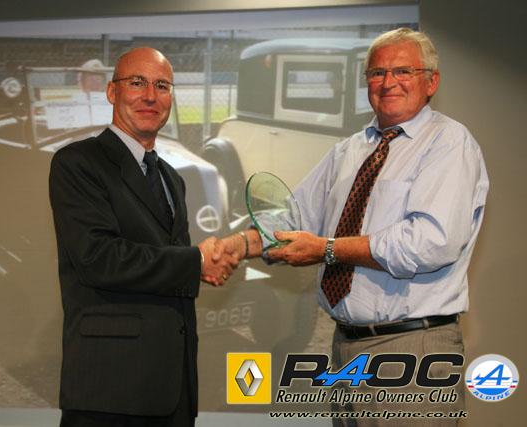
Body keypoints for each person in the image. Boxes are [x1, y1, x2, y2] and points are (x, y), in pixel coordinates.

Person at [215, 28, 488, 425]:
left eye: (403, 71)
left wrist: (327, 249)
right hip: (346, 348)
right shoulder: (349, 150)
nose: (388, 82)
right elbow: (294, 219)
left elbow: (430, 243)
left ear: (431, 82)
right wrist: (239, 245)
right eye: (377, 73)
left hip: (412, 348)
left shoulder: (449, 143)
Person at [49, 47, 238, 427]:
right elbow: (99, 258)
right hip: (109, 391)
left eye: (162, 86)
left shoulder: (172, 178)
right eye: (137, 83)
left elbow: (171, 270)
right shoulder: (78, 163)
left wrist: (209, 262)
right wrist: (197, 261)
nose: (150, 96)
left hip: (172, 390)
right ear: (112, 92)